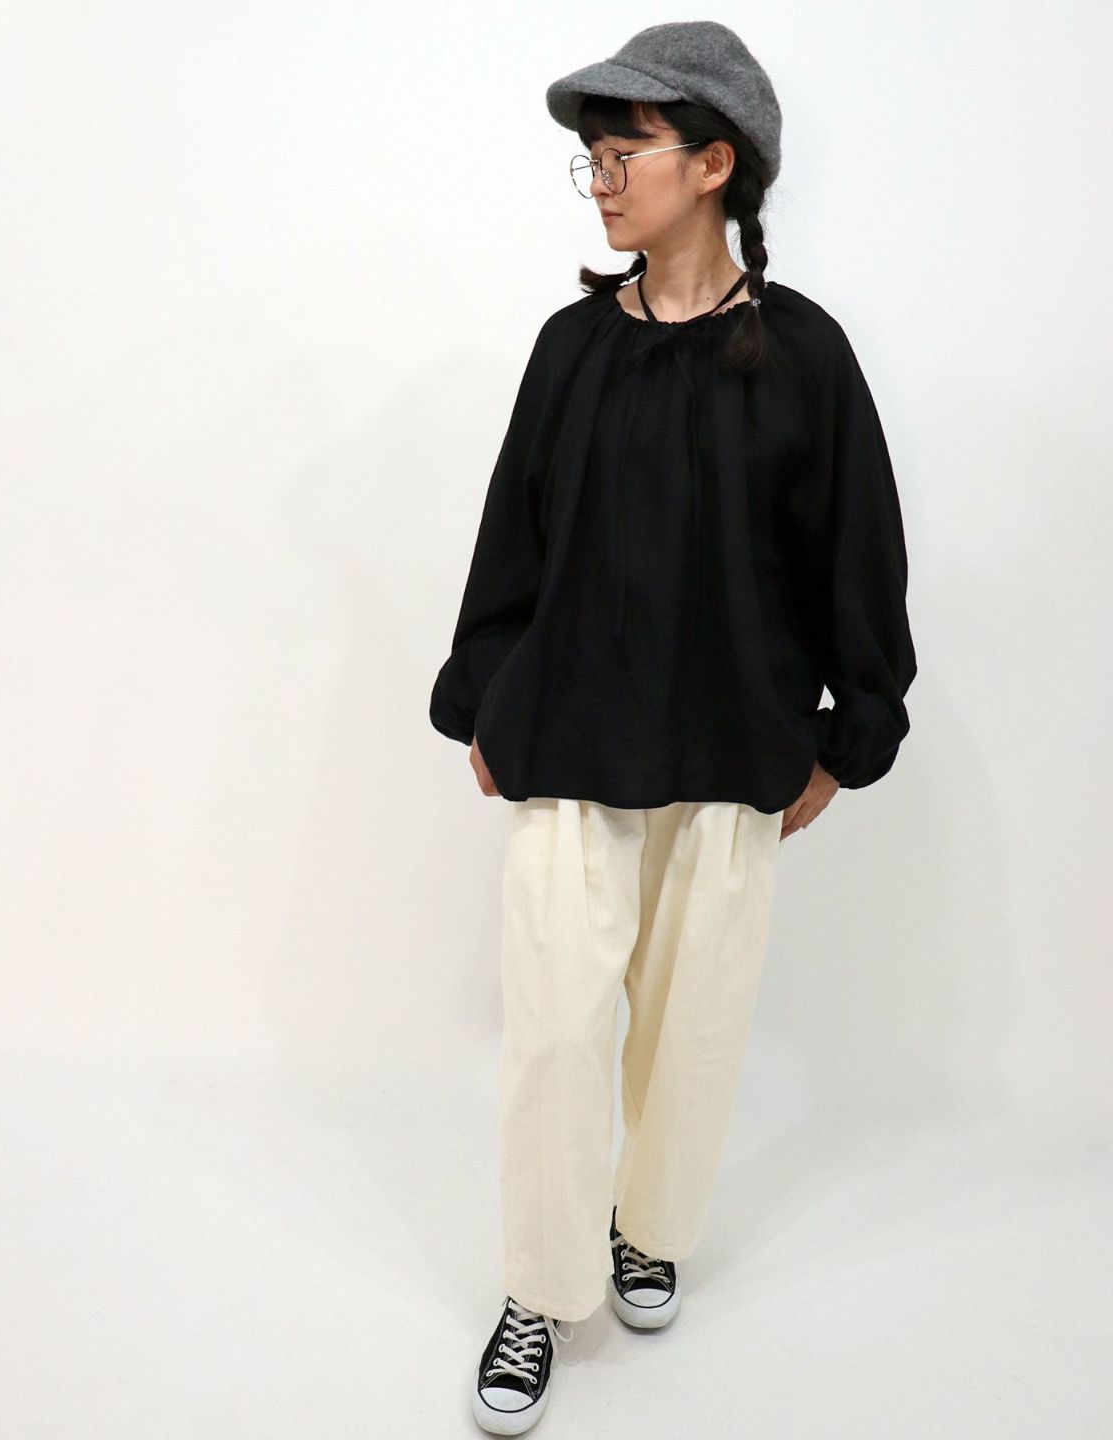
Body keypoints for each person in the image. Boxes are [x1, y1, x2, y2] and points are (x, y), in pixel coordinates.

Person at [428, 22, 918, 1435]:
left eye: (623, 152)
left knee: (691, 1033)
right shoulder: (572, 349)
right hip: (570, 737)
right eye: (590, 157)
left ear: (715, 164)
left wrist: (848, 733)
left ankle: (644, 1232)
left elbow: (856, 556)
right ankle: (542, 1283)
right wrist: (486, 692)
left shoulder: (803, 357)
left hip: (729, 748)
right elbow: (513, 539)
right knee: (556, 1033)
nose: (600, 179)